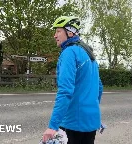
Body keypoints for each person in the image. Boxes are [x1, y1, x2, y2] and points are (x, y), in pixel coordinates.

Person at [42, 16, 103, 144]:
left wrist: (53, 126)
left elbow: (65, 91)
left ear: (69, 32)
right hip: (91, 122)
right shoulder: (88, 52)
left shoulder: (69, 52)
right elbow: (99, 87)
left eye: (58, 31)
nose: (55, 35)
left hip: (73, 123)